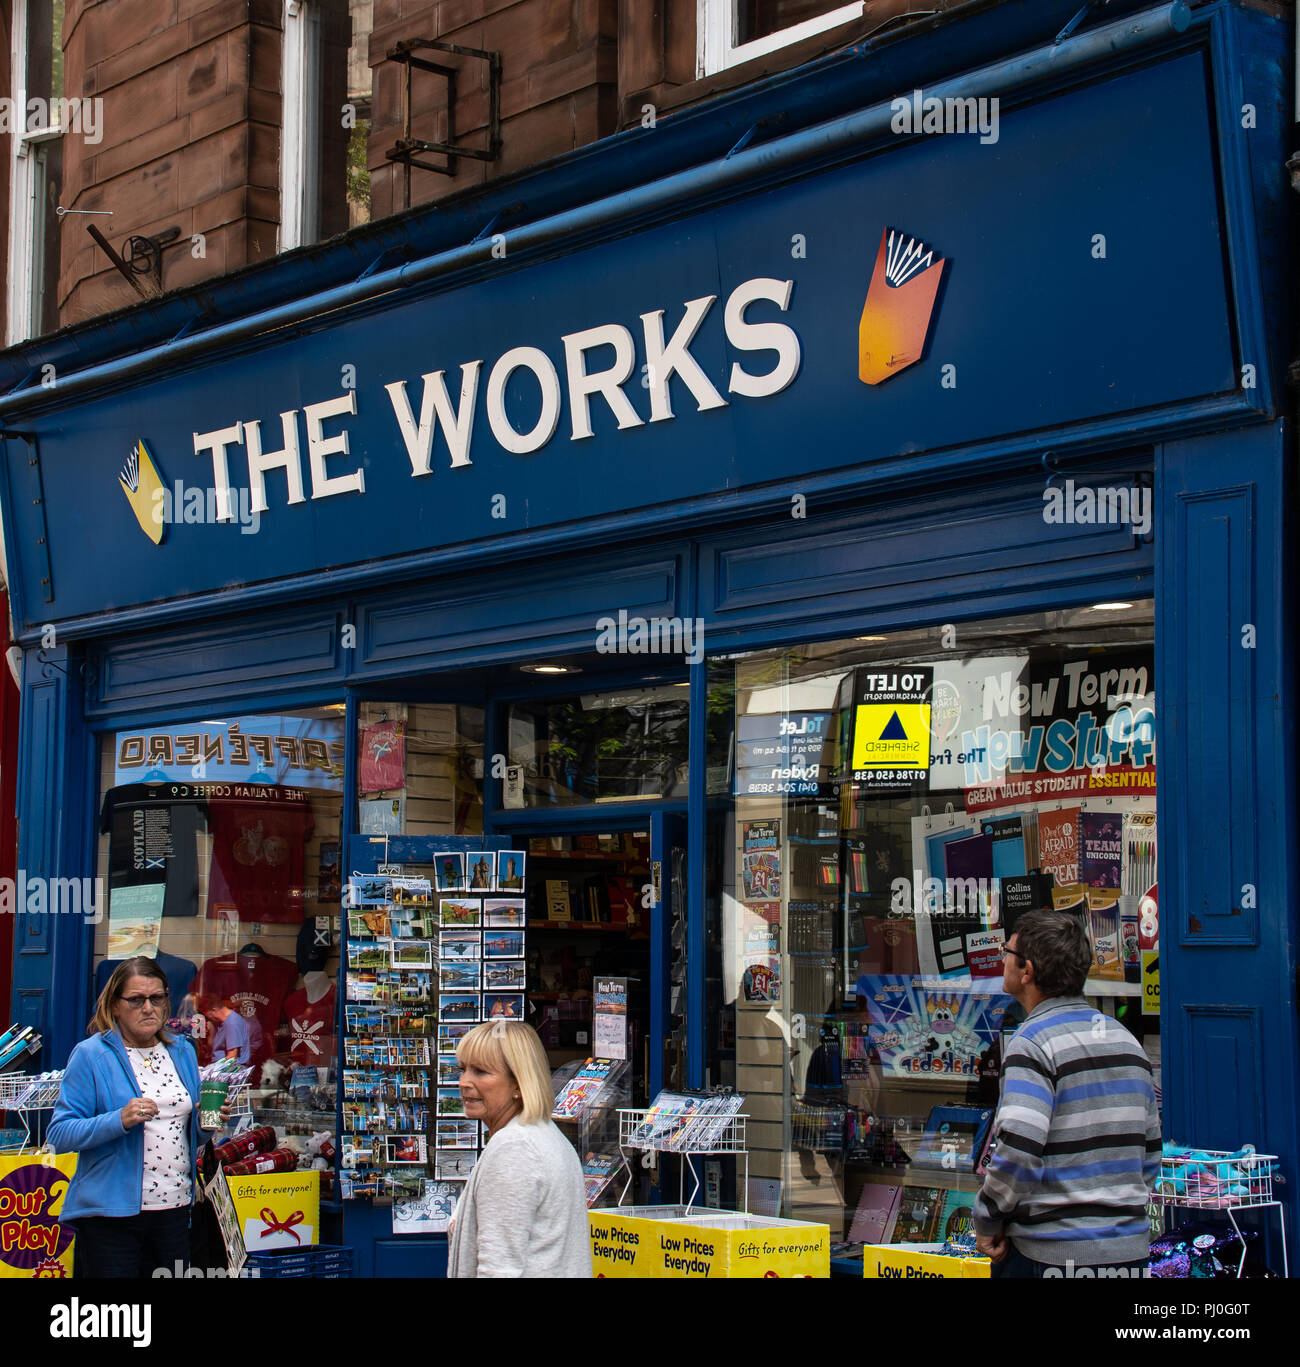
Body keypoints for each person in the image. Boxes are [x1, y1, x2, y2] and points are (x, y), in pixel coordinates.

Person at [973, 911, 1160, 1278]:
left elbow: (1018, 1150)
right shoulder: (1126, 1041)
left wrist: (987, 1217)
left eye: (1006, 951)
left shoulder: (1032, 1043)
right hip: (1128, 1255)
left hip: (1049, 1256)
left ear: (1026, 971)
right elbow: (1150, 1152)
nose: (1002, 959)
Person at [48, 956, 224, 1277]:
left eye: (157, 998)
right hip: (112, 1216)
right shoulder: (91, 1055)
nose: (148, 1008)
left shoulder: (181, 1050)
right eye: (136, 999)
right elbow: (60, 1134)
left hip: (174, 1209)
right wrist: (120, 1119)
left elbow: (187, 1135)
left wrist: (204, 1125)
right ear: (115, 1005)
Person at [447, 1020, 591, 1277]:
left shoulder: (514, 1149)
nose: (464, 1081)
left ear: (518, 1084)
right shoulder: (544, 1137)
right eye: (463, 1069)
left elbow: (498, 1269)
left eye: (480, 1071)